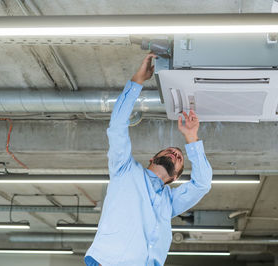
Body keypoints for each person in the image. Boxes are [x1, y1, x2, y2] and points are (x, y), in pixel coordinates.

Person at [84, 53, 213, 266]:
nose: (175, 153)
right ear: (153, 159)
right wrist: (137, 81)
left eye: (179, 157)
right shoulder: (124, 170)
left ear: (175, 176)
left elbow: (202, 184)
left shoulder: (170, 202)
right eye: (170, 151)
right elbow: (117, 128)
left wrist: (191, 138)